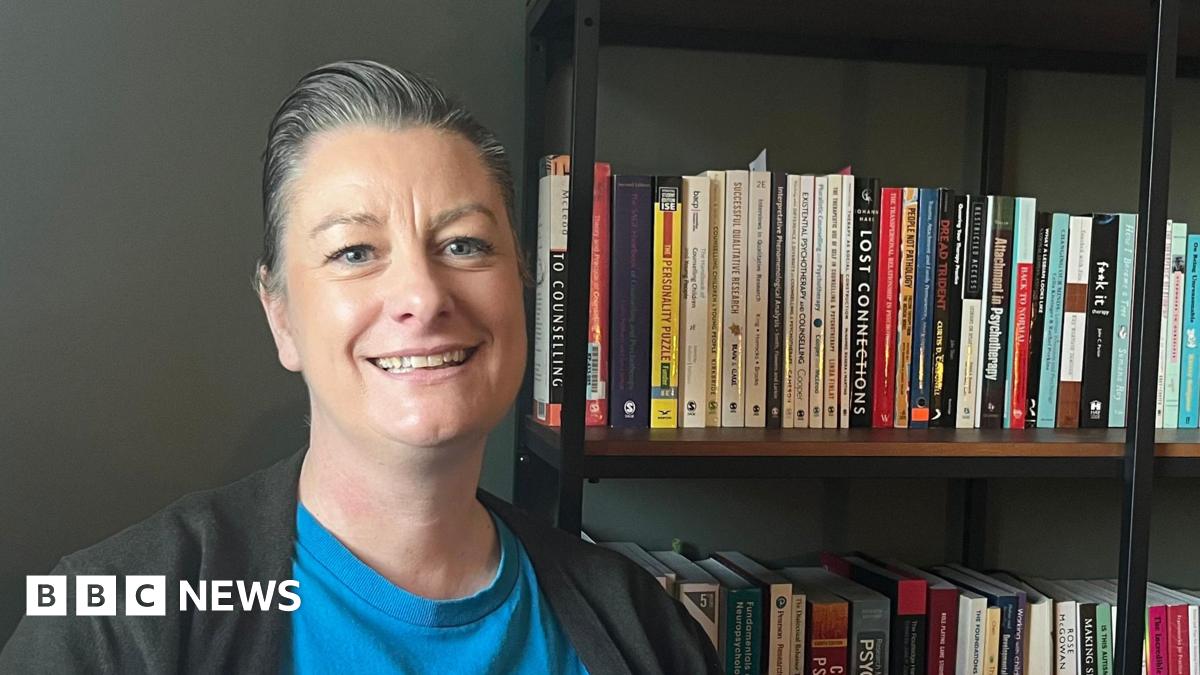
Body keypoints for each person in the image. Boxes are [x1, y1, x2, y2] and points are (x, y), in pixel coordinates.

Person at [0, 60, 721, 674]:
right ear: (281, 317)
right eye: (354, 252)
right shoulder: (111, 622)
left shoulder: (645, 628)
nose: (423, 296)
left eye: (465, 244)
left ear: (522, 282)